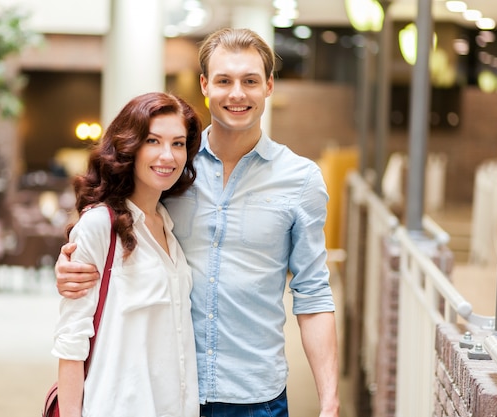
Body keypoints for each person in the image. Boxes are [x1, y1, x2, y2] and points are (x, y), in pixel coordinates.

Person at [55, 28, 340, 417]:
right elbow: (118, 218)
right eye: (224, 80)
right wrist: (72, 261)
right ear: (205, 85)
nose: (236, 93)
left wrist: (330, 401)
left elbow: (313, 294)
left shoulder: (301, 180)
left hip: (255, 396)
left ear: (269, 86)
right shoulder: (174, 169)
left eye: (250, 81)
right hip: (171, 393)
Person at [51, 92, 202, 417]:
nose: (168, 155)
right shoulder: (99, 225)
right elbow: (71, 341)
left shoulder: (169, 225)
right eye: (153, 141)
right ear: (129, 146)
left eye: (178, 144)